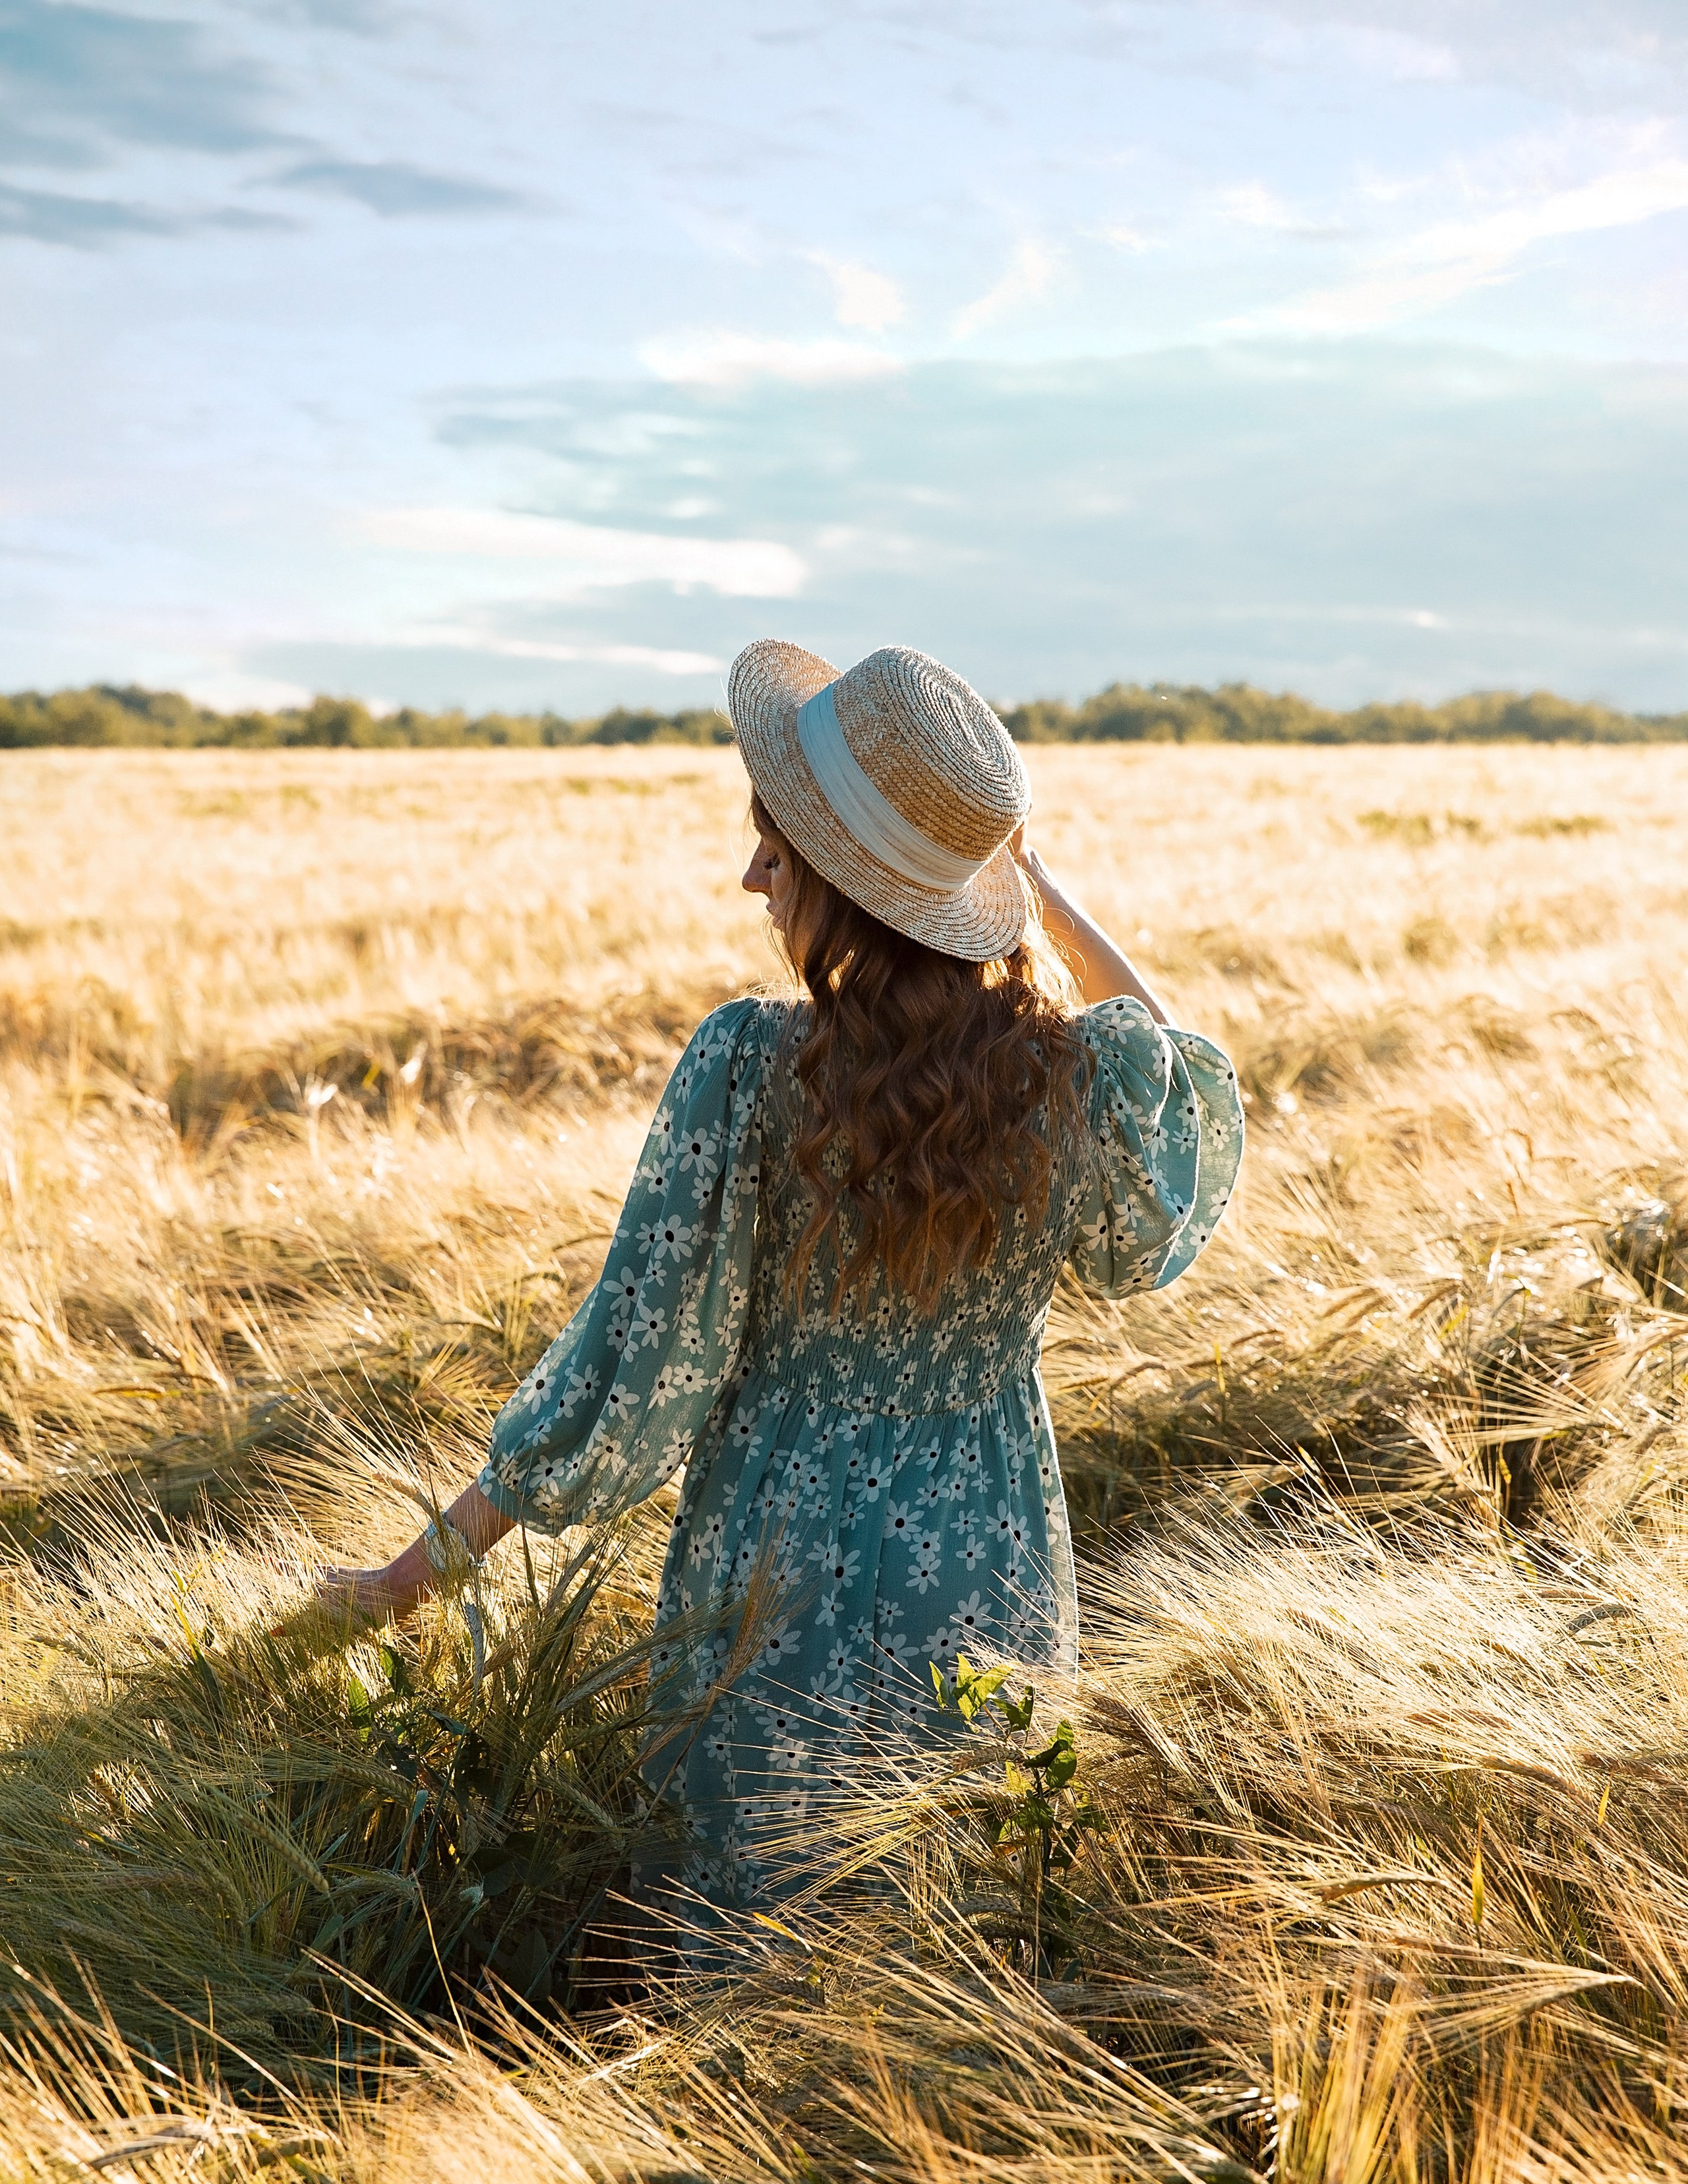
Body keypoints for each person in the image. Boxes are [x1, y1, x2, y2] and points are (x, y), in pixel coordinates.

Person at [319, 640, 1243, 1927]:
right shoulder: (1061, 1082)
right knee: (949, 1931)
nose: (751, 872)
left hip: (777, 1551)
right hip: (986, 1546)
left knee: (757, 1929)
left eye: (778, 847)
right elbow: (1164, 1092)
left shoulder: (748, 1070)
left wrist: (420, 1569)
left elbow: (627, 1368)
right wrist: (1039, 896)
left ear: (843, 891)